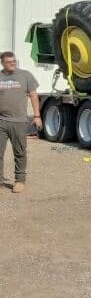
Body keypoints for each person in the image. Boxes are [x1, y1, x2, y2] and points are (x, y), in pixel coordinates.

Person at [0, 51, 41, 193]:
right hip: (1, 121)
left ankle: (19, 180)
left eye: (14, 61)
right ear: (2, 63)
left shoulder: (25, 75)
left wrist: (37, 116)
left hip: (19, 121)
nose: (13, 63)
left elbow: (34, 96)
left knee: (20, 152)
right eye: (9, 62)